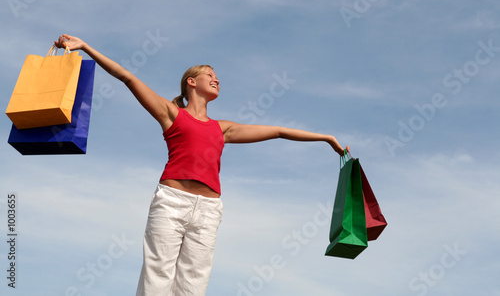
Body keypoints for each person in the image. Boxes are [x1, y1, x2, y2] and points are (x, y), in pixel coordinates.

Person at [55, 34, 349, 296]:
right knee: (157, 281)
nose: (217, 79)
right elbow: (127, 77)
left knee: (193, 287)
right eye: (210, 74)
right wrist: (85, 47)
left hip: (208, 211)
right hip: (171, 203)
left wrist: (325, 138)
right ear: (191, 83)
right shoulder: (171, 114)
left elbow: (279, 131)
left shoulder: (223, 129)